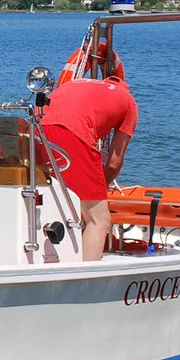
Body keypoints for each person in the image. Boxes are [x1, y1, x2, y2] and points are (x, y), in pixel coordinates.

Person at [39, 65, 138, 261]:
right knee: (98, 219)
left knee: (51, 199)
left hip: (36, 131)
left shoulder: (73, 83)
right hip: (74, 135)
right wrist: (99, 190)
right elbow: (113, 164)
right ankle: (84, 278)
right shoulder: (129, 102)